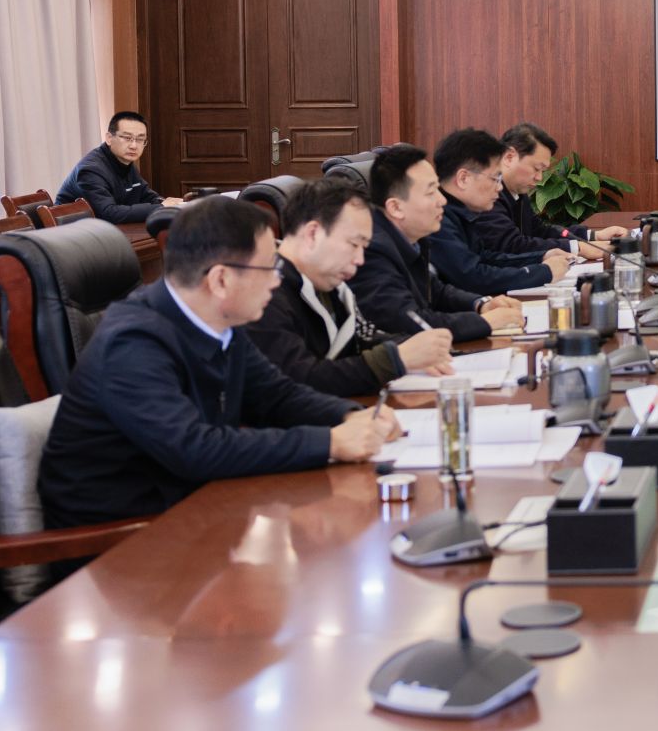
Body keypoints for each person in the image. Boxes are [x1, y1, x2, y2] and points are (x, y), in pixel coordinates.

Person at [38, 197, 397, 529]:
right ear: (221, 279)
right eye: (268, 268)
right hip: (119, 542)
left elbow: (276, 395)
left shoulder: (221, 321)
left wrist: (349, 416)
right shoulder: (131, 345)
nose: (277, 281)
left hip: (193, 511)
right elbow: (194, 449)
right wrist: (329, 442)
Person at [244, 179, 456, 398]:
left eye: (363, 248)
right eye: (354, 244)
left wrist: (412, 349)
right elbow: (298, 379)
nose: (360, 259)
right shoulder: (264, 294)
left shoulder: (331, 286)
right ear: (313, 233)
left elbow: (361, 339)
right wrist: (395, 358)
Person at [349, 143, 521, 343]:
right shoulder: (371, 250)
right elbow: (409, 322)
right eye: (431, 192)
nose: (442, 200)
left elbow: (436, 291)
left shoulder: (412, 237)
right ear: (395, 207)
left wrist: (481, 304)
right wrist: (485, 322)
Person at [427, 128, 572, 296]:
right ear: (463, 178)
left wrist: (541, 257)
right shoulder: (437, 219)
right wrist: (543, 272)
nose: (499, 187)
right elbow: (473, 278)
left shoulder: (461, 212)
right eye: (495, 178)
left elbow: (485, 258)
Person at [471, 123, 629, 260]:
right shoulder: (486, 195)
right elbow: (511, 245)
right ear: (509, 157)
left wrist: (594, 236)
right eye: (536, 168)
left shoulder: (517, 191)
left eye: (543, 170)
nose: (539, 178)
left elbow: (540, 230)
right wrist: (577, 248)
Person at [54, 110, 182, 224]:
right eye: (127, 138)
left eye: (140, 139)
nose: (133, 145)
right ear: (109, 138)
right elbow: (109, 213)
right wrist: (160, 207)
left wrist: (171, 204)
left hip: (102, 230)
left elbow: (144, 194)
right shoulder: (91, 170)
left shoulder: (125, 162)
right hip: (71, 234)